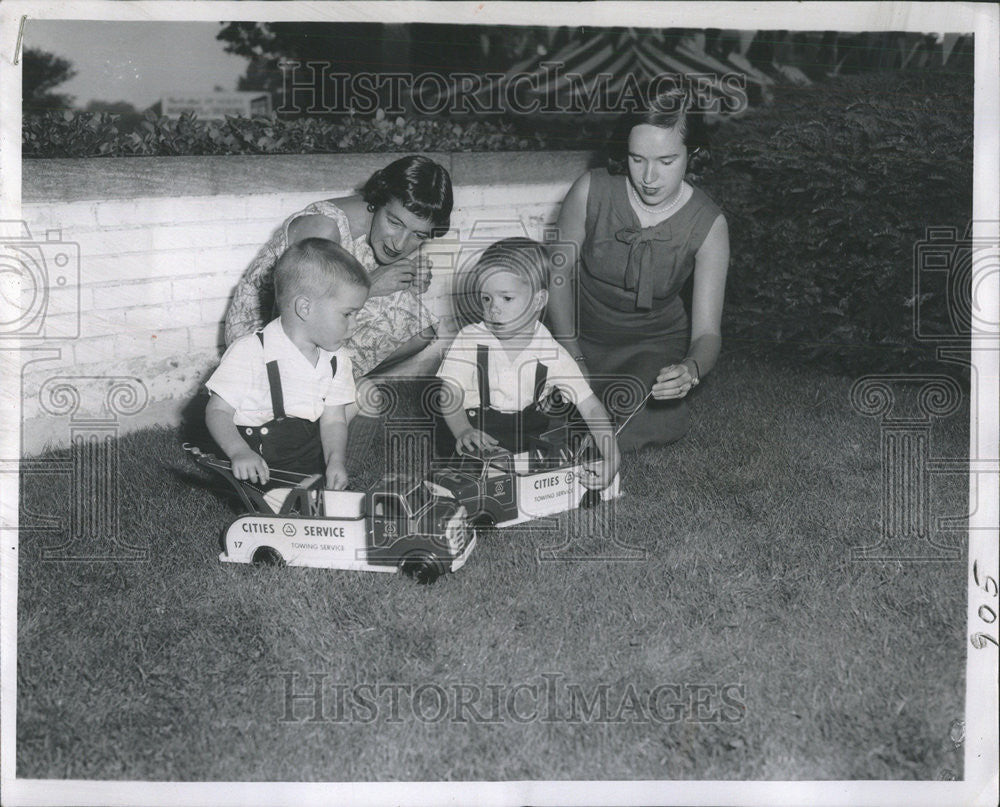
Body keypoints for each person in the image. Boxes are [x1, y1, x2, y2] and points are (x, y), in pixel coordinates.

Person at [547, 85, 730, 452]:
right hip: (576, 336)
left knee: (641, 408)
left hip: (649, 348)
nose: (648, 177)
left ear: (692, 154)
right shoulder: (590, 190)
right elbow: (557, 277)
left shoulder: (709, 224)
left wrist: (690, 370)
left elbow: (708, 334)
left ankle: (598, 431)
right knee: (524, 401)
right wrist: (571, 355)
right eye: (636, 158)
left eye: (666, 161)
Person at [224, 155, 453, 378]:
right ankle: (311, 389)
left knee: (420, 327)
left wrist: (409, 277)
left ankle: (332, 387)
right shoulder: (324, 227)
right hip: (262, 332)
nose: (400, 243)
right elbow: (291, 316)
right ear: (378, 200)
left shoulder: (391, 231)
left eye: (418, 235)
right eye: (395, 223)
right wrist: (372, 283)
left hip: (321, 318)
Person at [436, 238, 620, 490]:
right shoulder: (470, 339)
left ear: (538, 300)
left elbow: (591, 409)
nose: (493, 310)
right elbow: (450, 393)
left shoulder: (552, 353)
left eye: (506, 298)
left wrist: (612, 458)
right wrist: (462, 430)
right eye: (486, 299)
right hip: (474, 434)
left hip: (526, 439)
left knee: (561, 461)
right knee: (469, 486)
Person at [205, 239, 369, 490]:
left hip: (304, 450)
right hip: (259, 459)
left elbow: (334, 420)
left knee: (366, 393)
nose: (355, 324)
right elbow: (217, 411)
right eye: (348, 314)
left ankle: (317, 479)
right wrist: (238, 452)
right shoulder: (251, 351)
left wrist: (335, 461)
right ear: (305, 308)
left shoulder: (337, 359)